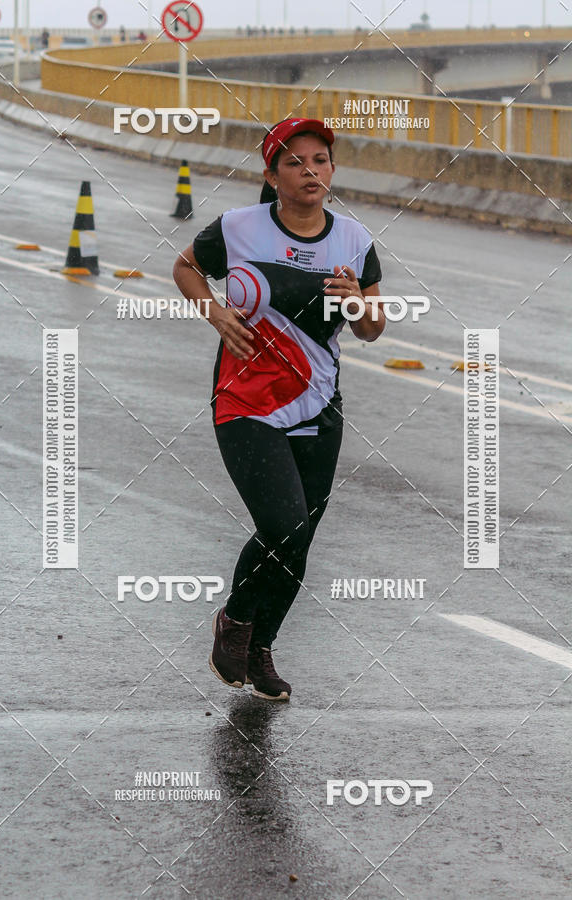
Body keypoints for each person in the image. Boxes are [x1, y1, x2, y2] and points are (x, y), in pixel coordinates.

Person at [173, 118, 385, 701]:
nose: (310, 171)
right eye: (294, 162)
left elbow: (371, 329)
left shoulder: (353, 240)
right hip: (245, 402)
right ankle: (236, 620)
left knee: (299, 540)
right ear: (272, 175)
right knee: (283, 522)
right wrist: (212, 311)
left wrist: (358, 305)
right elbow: (186, 267)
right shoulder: (238, 229)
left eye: (320, 160)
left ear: (333, 171)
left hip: (319, 407)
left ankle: (260, 648)